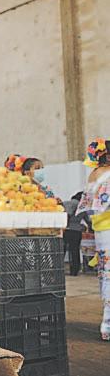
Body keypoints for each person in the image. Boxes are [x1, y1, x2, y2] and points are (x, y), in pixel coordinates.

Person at [76, 138, 110, 341]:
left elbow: (88, 208)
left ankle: (107, 324)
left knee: (106, 274)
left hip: (101, 230)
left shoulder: (93, 175)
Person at [63, 192, 89, 276]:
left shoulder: (65, 203)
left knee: (62, 250)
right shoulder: (82, 207)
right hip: (76, 231)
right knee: (75, 251)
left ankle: (58, 269)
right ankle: (74, 270)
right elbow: (88, 220)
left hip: (65, 230)